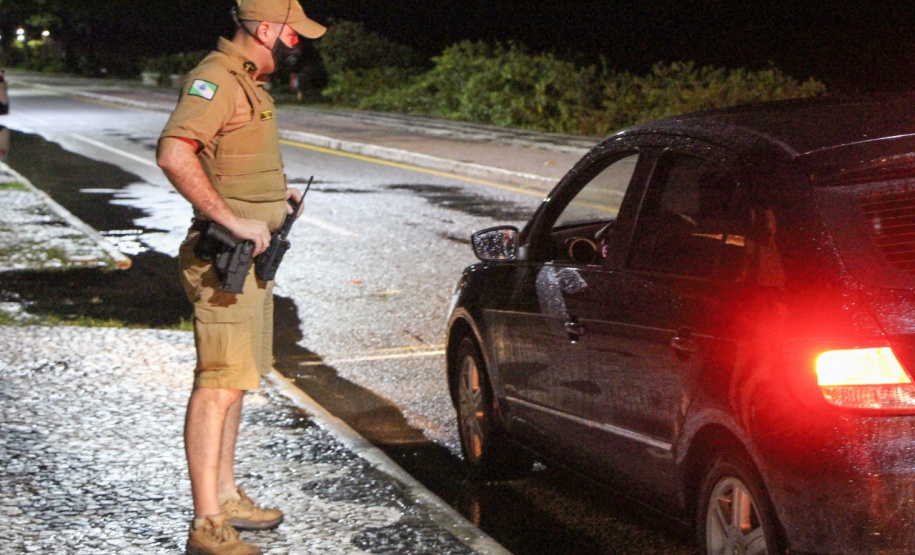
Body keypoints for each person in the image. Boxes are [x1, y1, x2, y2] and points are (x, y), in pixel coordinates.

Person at [156, 1, 325, 554]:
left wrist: (277, 199)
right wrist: (230, 218)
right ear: (267, 30)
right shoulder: (216, 80)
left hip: (251, 261)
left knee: (238, 380)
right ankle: (208, 525)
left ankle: (225, 495)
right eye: (292, 35)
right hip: (223, 259)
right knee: (218, 383)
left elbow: (231, 159)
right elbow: (174, 153)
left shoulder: (247, 82)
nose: (295, 44)